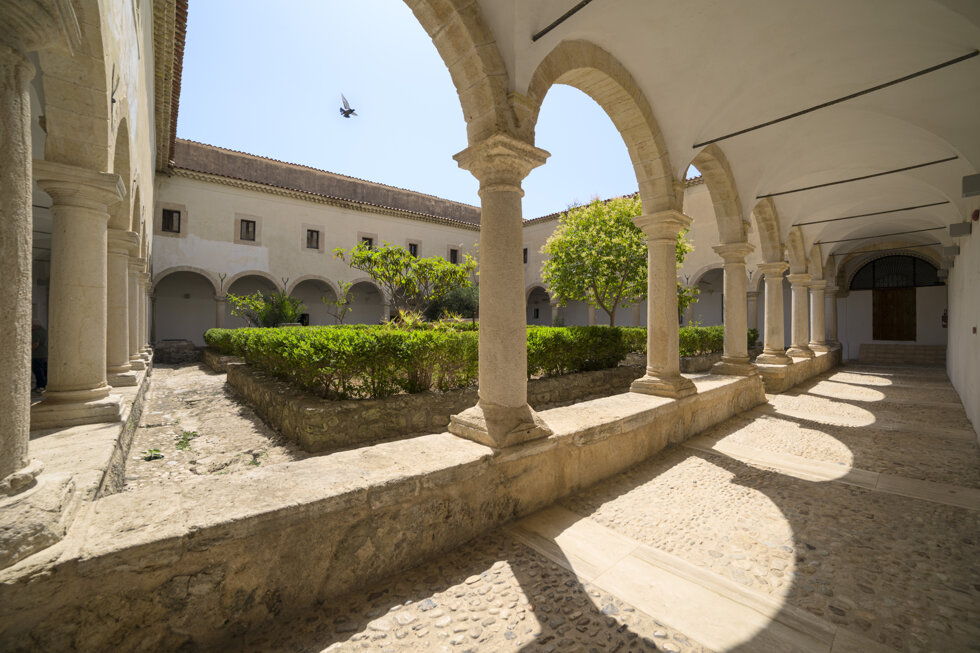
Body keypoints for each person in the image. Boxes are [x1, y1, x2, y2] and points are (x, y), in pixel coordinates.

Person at [31, 321, 47, 393]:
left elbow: (35, 344)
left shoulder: (35, 332)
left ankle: (40, 386)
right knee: (44, 371)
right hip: (44, 354)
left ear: (35, 326)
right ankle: (44, 386)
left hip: (37, 355)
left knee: (38, 371)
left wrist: (28, 349)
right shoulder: (44, 331)